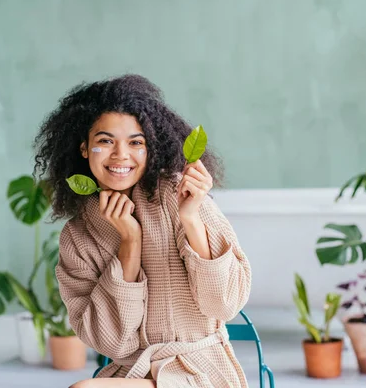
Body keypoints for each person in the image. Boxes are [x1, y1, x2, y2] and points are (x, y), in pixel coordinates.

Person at [33, 74, 252, 387]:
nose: (121, 155)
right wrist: (130, 242)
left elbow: (224, 304)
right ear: (84, 148)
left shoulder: (182, 195)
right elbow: (113, 345)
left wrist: (190, 218)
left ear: (151, 148)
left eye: (136, 143)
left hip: (202, 371)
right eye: (105, 141)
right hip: (134, 374)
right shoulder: (77, 236)